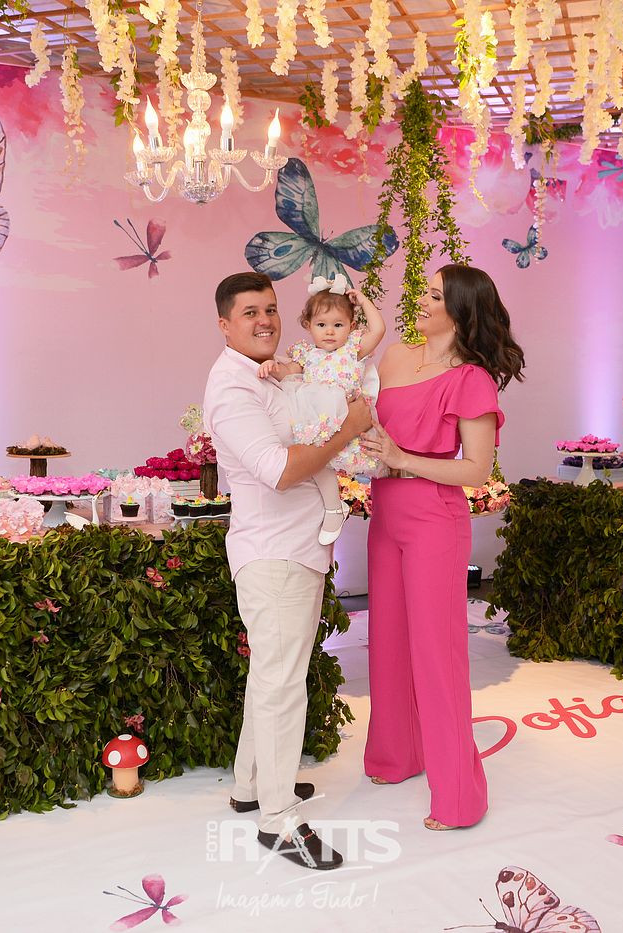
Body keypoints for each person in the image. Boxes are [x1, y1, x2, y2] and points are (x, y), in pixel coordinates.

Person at [202, 271, 374, 870]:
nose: (265, 321)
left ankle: (251, 785)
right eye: (250, 312)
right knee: (281, 686)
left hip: (295, 547)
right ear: (224, 324)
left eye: (271, 309)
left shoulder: (268, 374)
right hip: (274, 554)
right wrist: (350, 430)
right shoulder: (232, 389)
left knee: (273, 676)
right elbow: (278, 471)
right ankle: (277, 819)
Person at [359, 264, 525, 831]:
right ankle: (396, 757)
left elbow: (476, 470)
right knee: (387, 642)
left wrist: (403, 459)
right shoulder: (394, 358)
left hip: (435, 518)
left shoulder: (471, 379)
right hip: (385, 512)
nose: (421, 301)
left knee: (437, 655)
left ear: (458, 310)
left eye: (433, 295)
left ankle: (459, 797)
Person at [257, 272, 387, 545]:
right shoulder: (307, 354)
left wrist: (363, 300)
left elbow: (378, 330)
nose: (329, 331)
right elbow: (288, 372)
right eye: (321, 324)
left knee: (345, 468)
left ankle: (343, 505)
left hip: (349, 419)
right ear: (308, 325)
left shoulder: (352, 350)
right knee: (317, 462)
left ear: (351, 326)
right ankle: (332, 507)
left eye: (338, 325)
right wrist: (272, 367)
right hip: (321, 423)